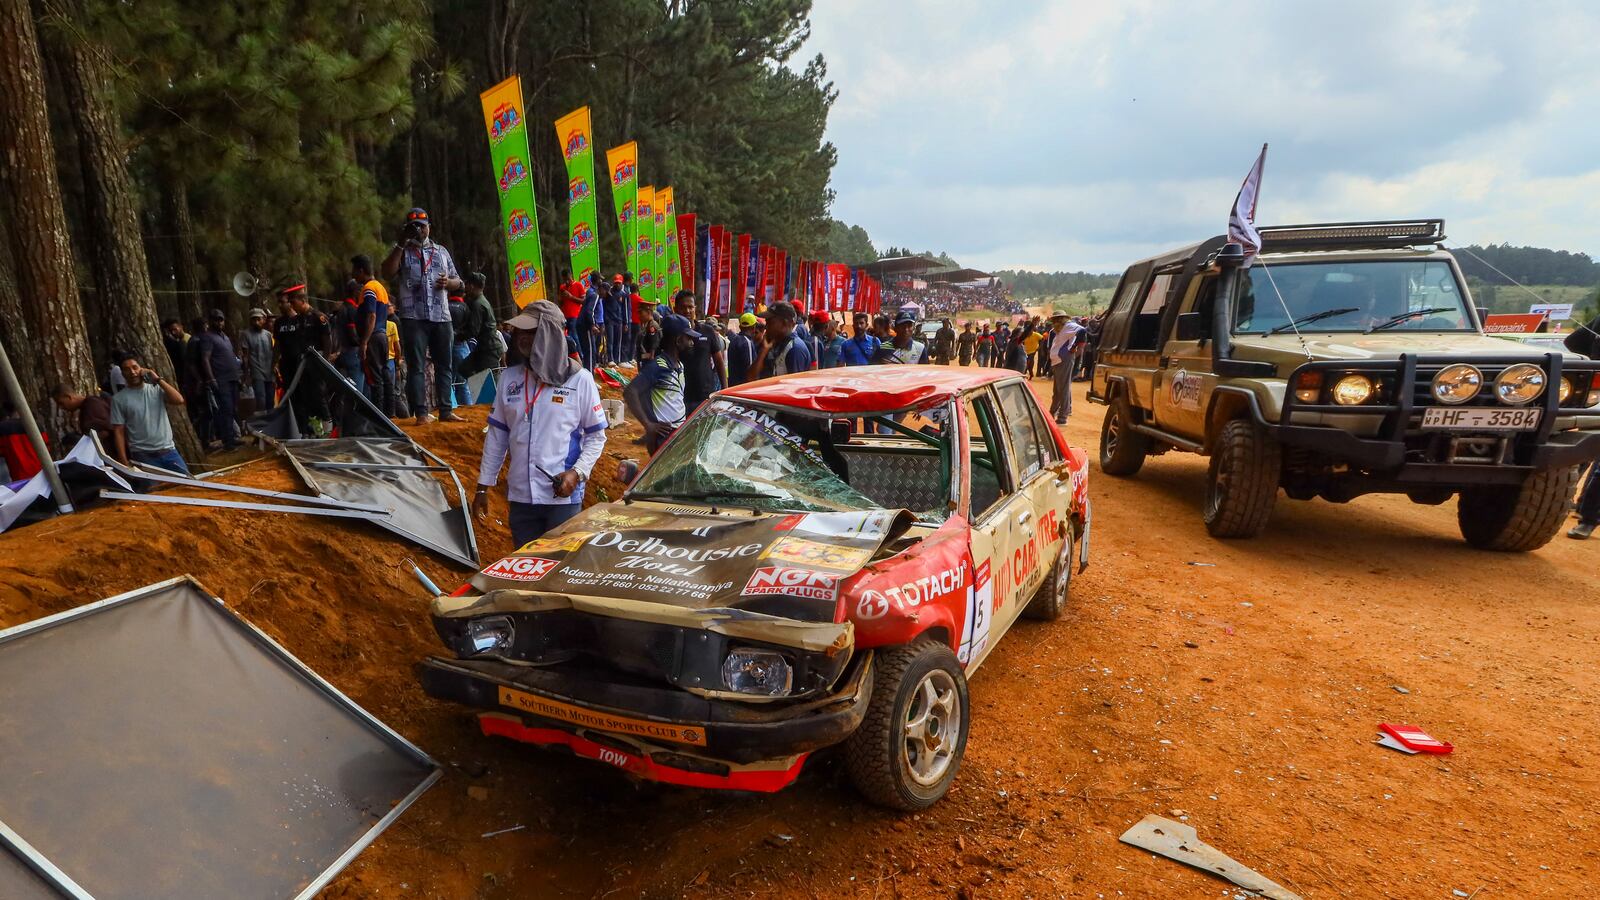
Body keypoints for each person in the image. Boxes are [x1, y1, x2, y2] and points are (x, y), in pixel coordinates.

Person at [472, 300, 607, 547]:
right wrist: (483, 486)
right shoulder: (509, 379)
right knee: (525, 569)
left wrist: (576, 474)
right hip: (521, 499)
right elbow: (497, 437)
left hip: (562, 501)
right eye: (520, 331)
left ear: (550, 334)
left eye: (531, 331)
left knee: (558, 572)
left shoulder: (580, 381)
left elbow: (596, 436)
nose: (521, 337)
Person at [381, 207, 464, 424]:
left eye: (422, 225)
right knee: (416, 366)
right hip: (413, 317)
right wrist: (401, 242)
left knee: (444, 364)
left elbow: (459, 282)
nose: (419, 230)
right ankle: (420, 413)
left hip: (441, 316)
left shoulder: (441, 251)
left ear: (429, 227)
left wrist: (449, 283)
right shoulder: (402, 251)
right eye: (413, 226)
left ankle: (446, 410)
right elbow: (387, 272)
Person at [109, 349, 188, 475]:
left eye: (135, 367)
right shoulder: (118, 400)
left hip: (169, 451)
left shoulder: (155, 389)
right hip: (143, 456)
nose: (132, 372)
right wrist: (123, 460)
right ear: (122, 373)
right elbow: (118, 431)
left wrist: (156, 378)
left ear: (141, 368)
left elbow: (178, 399)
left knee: (187, 486)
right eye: (127, 369)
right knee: (154, 492)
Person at [635, 313, 702, 453]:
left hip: (676, 433)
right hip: (663, 437)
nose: (692, 343)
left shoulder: (679, 365)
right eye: (689, 338)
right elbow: (631, 392)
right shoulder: (659, 366)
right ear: (678, 340)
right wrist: (649, 425)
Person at [274, 284, 333, 436]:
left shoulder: (317, 317)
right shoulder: (298, 320)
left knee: (319, 394)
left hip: (317, 360)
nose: (292, 306)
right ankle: (316, 429)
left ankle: (328, 428)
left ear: (302, 300)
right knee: (307, 396)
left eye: (293, 302)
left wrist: (324, 362)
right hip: (303, 362)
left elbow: (327, 341)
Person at [351, 254, 393, 416]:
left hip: (373, 336)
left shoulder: (368, 289)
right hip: (382, 335)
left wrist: (364, 342)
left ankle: (380, 416)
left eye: (354, 270)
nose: (352, 274)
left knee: (376, 379)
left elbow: (371, 315)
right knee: (385, 375)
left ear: (361, 270)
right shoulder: (380, 287)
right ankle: (390, 413)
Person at [198, 309, 242, 451]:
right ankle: (228, 442)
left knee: (233, 409)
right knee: (226, 410)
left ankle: (231, 438)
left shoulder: (225, 337)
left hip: (233, 378)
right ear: (211, 321)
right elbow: (205, 359)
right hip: (220, 379)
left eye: (221, 319)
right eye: (216, 319)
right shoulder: (207, 337)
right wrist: (212, 379)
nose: (219, 322)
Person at [671, 290, 723, 409]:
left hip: (706, 397)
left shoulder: (708, 331)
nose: (687, 311)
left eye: (690, 307)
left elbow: (719, 362)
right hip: (680, 399)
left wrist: (724, 391)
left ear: (695, 308)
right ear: (675, 309)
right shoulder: (671, 334)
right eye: (683, 307)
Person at [748, 301, 813, 381]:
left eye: (770, 322)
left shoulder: (794, 349)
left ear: (784, 323)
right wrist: (763, 351)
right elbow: (751, 377)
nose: (766, 327)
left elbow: (793, 388)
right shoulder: (772, 344)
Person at [1047, 311, 1084, 424]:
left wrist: (1074, 346)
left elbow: (1083, 331)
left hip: (1064, 359)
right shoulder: (1059, 330)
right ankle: (1052, 413)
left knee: (1063, 388)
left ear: (1060, 319)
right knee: (1058, 389)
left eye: (1055, 320)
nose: (1053, 323)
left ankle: (1063, 416)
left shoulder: (1069, 326)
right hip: (1058, 361)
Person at [52, 383, 114, 448]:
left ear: (68, 397)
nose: (61, 407)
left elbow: (106, 431)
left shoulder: (91, 405)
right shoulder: (87, 406)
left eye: (61, 403)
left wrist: (82, 441)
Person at [334, 281, 369, 394]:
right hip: (353, 354)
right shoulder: (352, 310)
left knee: (346, 391)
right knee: (357, 393)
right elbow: (353, 335)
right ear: (356, 292)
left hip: (341, 352)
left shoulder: (341, 309)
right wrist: (363, 343)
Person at [240, 307, 274, 415]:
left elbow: (272, 352)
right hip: (256, 371)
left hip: (269, 370)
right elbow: (245, 355)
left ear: (264, 319)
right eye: (253, 319)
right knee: (261, 400)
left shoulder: (268, 334)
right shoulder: (246, 334)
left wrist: (275, 367)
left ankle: (272, 423)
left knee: (270, 399)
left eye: (258, 319)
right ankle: (262, 424)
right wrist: (246, 374)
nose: (256, 322)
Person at [726, 313, 759, 386]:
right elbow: (750, 369)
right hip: (744, 386)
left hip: (733, 385)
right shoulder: (747, 342)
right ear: (754, 327)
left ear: (740, 327)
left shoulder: (734, 340)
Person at [604, 273, 627, 366]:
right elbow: (604, 305)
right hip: (609, 320)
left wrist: (626, 323)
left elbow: (625, 309)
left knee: (618, 341)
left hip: (619, 320)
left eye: (619, 283)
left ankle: (617, 359)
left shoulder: (624, 294)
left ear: (622, 283)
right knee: (610, 340)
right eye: (616, 283)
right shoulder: (609, 293)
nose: (617, 284)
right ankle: (610, 359)